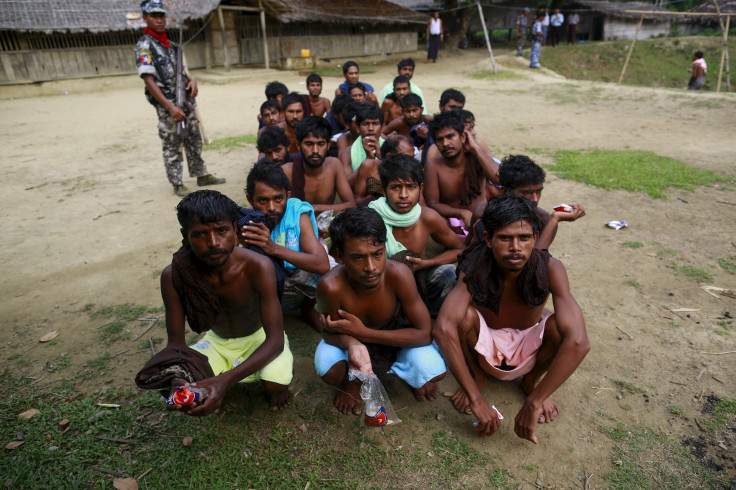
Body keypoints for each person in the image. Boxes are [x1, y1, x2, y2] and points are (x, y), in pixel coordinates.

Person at [433, 194, 590, 440]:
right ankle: (477, 377)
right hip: (484, 343)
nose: (516, 247)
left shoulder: (550, 267)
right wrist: (475, 398)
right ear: (488, 239)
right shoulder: (474, 264)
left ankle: (531, 382)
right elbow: (443, 329)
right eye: (505, 238)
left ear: (535, 238)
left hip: (530, 346)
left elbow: (579, 342)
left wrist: (534, 402)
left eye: (524, 238)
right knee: (461, 318)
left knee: (563, 327)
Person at [134, 189, 293, 414]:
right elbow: (176, 346)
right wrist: (179, 383)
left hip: (260, 338)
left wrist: (225, 381)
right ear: (185, 235)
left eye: (221, 231)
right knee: (185, 384)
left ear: (236, 229)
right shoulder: (174, 275)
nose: (213, 242)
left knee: (275, 385)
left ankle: (247, 386)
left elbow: (275, 340)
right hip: (217, 344)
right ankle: (216, 389)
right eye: (200, 234)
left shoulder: (257, 266)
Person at [314, 207, 447, 414]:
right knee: (329, 369)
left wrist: (365, 333)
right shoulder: (330, 287)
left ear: (385, 248)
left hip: (394, 336)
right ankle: (353, 382)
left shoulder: (399, 275)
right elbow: (329, 332)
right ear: (339, 256)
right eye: (358, 257)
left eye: (378, 254)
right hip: (353, 340)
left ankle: (409, 373)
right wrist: (352, 342)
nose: (371, 267)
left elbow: (423, 334)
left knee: (431, 370)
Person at [134, 0, 225, 197]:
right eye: (154, 16)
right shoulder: (145, 46)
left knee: (193, 138)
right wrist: (169, 107)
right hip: (168, 106)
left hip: (185, 100)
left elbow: (181, 71)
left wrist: (192, 81)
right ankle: (177, 183)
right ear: (145, 18)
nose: (159, 20)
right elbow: (148, 80)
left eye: (161, 16)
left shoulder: (171, 45)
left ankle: (201, 174)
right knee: (172, 143)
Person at [369, 154, 464, 315]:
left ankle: (419, 309)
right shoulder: (371, 217)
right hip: (376, 285)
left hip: (415, 282)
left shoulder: (427, 217)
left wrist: (428, 263)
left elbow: (459, 248)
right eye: (395, 187)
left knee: (450, 273)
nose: (404, 195)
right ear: (384, 191)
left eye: (410, 187)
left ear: (420, 188)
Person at [243, 161, 331, 330]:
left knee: (331, 275)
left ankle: (306, 310)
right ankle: (261, 320)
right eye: (262, 200)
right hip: (267, 285)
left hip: (295, 278)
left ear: (287, 196)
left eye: (278, 199)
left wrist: (273, 248)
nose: (271, 207)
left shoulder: (296, 212)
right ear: (250, 199)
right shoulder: (245, 221)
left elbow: (322, 264)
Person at [424, 111, 500, 237]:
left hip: (482, 218)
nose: (446, 143)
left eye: (450, 137)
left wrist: (475, 148)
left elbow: (498, 178)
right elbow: (433, 203)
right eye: (440, 139)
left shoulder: (477, 157)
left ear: (463, 137)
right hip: (450, 222)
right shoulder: (433, 166)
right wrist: (461, 213)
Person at [282, 116, 356, 215]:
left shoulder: (334, 165)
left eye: (321, 144)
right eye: (309, 144)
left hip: (326, 226)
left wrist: (313, 208)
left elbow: (351, 205)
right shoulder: (287, 171)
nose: (315, 150)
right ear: (299, 146)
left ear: (328, 145)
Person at [353, 134, 415, 199]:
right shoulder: (369, 166)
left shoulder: (414, 171)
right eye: (405, 158)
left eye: (412, 157)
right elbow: (357, 199)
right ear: (389, 156)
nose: (410, 162)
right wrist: (374, 199)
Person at [341, 104, 385, 182]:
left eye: (375, 124)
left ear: (382, 127)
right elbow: (347, 184)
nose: (370, 129)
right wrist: (368, 159)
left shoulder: (390, 146)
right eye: (365, 124)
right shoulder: (347, 153)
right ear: (358, 128)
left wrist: (381, 158)